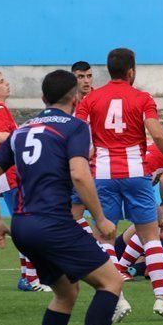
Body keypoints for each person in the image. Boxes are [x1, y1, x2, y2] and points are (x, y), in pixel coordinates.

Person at [0, 70, 128, 325]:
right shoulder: (75, 127)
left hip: (22, 225)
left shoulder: (22, 130)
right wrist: (100, 217)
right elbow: (79, 173)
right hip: (54, 222)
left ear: (43, 99)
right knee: (112, 282)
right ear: (75, 99)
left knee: (65, 292)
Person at [75, 48, 163, 321]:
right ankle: (162, 299)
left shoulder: (91, 99)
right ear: (131, 72)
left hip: (103, 174)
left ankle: (117, 300)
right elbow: (158, 135)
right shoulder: (142, 98)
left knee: (105, 238)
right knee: (150, 237)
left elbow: (77, 135)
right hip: (136, 172)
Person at [0, 68, 49, 292]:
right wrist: (26, 135)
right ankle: (31, 278)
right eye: (1, 81)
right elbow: (0, 136)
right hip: (10, 175)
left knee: (25, 224)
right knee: (26, 226)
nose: (6, 84)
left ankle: (27, 277)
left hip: (8, 176)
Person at [69, 61, 95, 230]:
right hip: (75, 167)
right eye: (81, 77)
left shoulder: (99, 100)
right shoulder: (66, 103)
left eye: (89, 76)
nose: (86, 81)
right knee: (72, 217)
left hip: (97, 167)